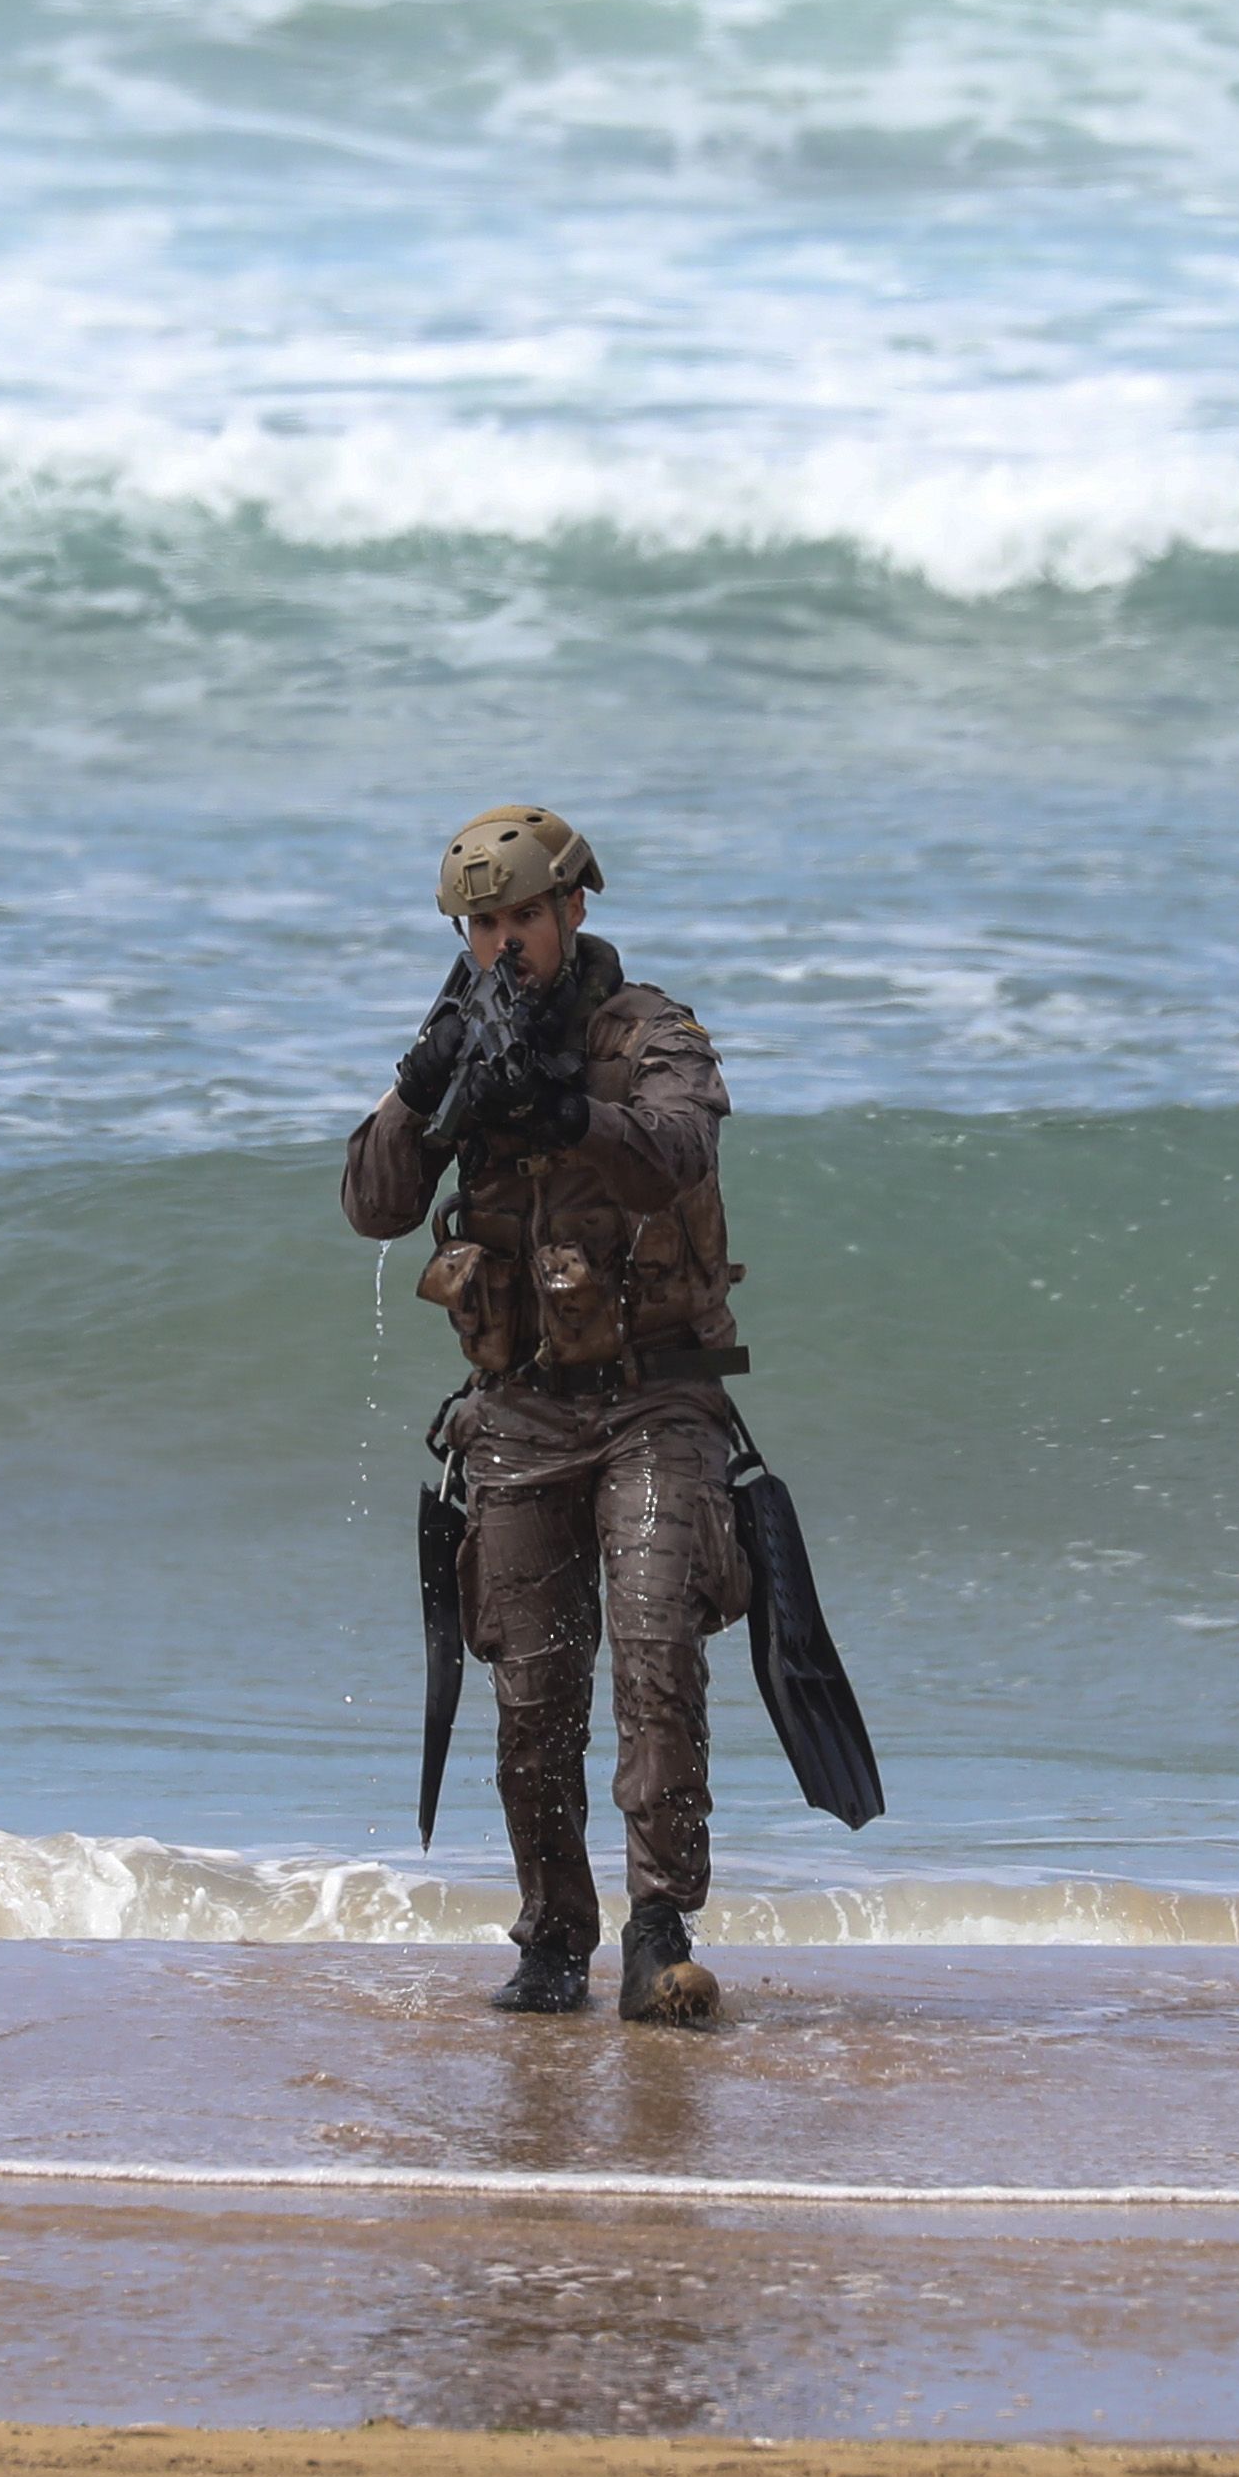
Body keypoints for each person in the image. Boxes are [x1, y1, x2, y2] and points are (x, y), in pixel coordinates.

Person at [341, 805, 751, 2028]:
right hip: (517, 1408)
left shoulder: (650, 1030)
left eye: (523, 916)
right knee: (531, 1692)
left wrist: (572, 1111)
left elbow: (680, 1148)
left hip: (655, 1401)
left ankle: (658, 1930)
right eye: (484, 924)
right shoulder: (455, 1037)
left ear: (575, 908)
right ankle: (555, 1938)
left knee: (656, 1657)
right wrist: (423, 1093)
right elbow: (371, 1205)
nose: (504, 943)